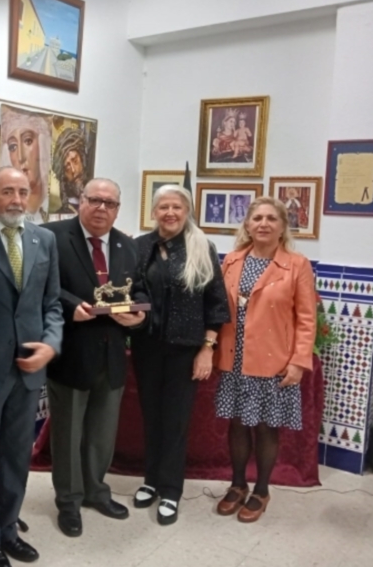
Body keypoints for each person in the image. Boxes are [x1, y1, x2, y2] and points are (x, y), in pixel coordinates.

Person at [0, 167, 63, 567]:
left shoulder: (45, 240)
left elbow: (52, 304)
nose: (17, 200)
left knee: (16, 454)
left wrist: (51, 346)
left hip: (29, 369)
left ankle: (7, 526)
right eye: (8, 192)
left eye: (23, 192)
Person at [41, 179, 145, 537]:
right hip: (71, 352)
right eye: (94, 200)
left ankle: (96, 491)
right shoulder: (50, 236)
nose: (102, 208)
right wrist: (73, 307)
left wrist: (139, 315)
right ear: (79, 202)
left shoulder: (127, 246)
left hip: (112, 353)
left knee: (102, 432)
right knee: (68, 434)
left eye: (110, 203)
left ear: (118, 209)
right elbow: (41, 284)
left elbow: (140, 289)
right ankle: (68, 501)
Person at [130, 185, 230, 525]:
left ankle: (170, 490)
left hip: (185, 351)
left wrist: (207, 349)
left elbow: (217, 304)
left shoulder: (202, 247)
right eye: (163, 207)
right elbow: (131, 290)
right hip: (146, 347)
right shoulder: (140, 246)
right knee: (151, 417)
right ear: (154, 212)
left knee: (174, 421)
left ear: (186, 212)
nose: (169, 213)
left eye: (177, 207)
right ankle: (151, 480)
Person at [214, 197, 316, 523]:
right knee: (237, 424)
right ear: (246, 224)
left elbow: (306, 318)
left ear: (283, 226)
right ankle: (237, 484)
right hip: (234, 357)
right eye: (257, 217)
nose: (263, 223)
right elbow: (217, 309)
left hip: (274, 360)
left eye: (272, 218)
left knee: (266, 426)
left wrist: (299, 361)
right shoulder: (230, 261)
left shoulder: (297, 265)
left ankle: (261, 489)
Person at [0, 108, 52, 223]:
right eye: (13, 147)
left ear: (43, 145)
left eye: (28, 141)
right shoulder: (8, 213)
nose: (21, 157)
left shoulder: (54, 205)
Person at [52, 128, 88, 215]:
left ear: (82, 158)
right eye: (67, 166)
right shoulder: (60, 214)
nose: (73, 170)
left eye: (75, 160)